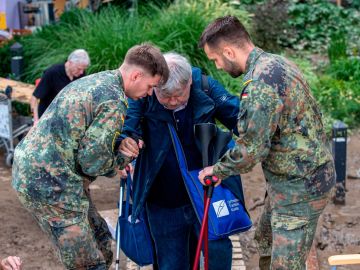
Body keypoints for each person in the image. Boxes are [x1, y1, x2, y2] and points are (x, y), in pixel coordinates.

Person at [12, 44, 169, 270]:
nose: (149, 93)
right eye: (150, 86)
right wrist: (121, 159)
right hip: (50, 183)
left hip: (45, 173)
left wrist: (116, 143)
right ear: (136, 75)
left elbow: (84, 134)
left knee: (102, 240)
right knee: (88, 263)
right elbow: (92, 161)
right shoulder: (114, 100)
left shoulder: (98, 81)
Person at [197, 15, 336, 269]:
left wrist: (216, 171)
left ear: (228, 51)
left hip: (301, 187)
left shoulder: (260, 83)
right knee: (266, 239)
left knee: (285, 264)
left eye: (216, 59)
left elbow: (251, 149)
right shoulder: (276, 62)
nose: (217, 66)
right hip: (294, 178)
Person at [118, 52, 246, 270]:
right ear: (155, 85)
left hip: (207, 192)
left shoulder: (204, 86)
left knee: (217, 252)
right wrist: (124, 147)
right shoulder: (145, 95)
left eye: (178, 95)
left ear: (189, 83)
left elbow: (239, 118)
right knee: (170, 262)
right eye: (165, 96)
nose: (173, 101)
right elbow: (126, 128)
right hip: (163, 198)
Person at [30, 49, 90, 125]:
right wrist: (35, 120)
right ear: (70, 62)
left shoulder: (80, 74)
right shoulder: (52, 73)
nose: (81, 72)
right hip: (48, 116)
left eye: (83, 69)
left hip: (67, 117)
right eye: (79, 69)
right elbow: (34, 98)